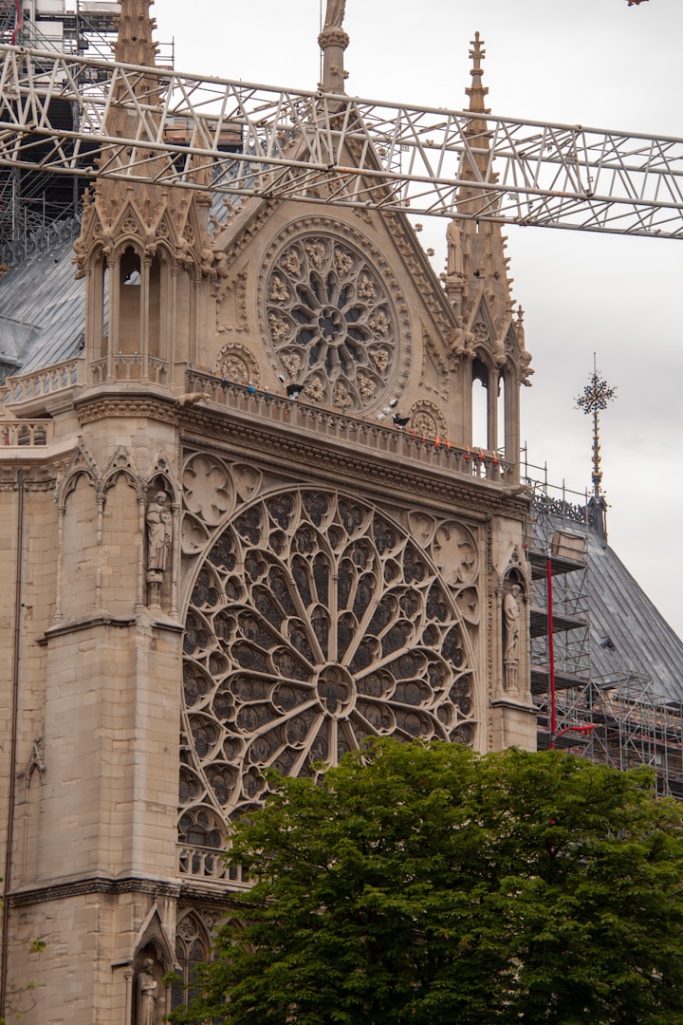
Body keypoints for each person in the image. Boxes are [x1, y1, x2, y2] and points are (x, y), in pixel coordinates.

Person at [146, 491, 172, 574]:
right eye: (162, 498)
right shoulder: (152, 506)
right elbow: (149, 517)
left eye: (164, 499)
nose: (163, 500)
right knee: (154, 547)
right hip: (155, 531)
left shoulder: (165, 509)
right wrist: (159, 517)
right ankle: (152, 567)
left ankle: (160, 568)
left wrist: (166, 518)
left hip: (163, 530)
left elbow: (168, 520)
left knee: (162, 549)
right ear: (157, 498)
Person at [503, 585, 521, 663]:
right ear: (514, 590)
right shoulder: (508, 597)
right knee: (510, 638)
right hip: (511, 622)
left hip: (514, 621)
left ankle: (513, 655)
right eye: (517, 592)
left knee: (514, 638)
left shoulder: (513, 599)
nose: (517, 594)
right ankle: (509, 655)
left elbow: (515, 610)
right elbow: (506, 609)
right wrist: (512, 618)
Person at [137, 959, 158, 1025]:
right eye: (150, 966)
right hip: (145, 999)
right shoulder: (141, 975)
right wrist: (152, 987)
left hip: (151, 999)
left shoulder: (151, 977)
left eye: (151, 966)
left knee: (151, 1018)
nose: (151, 968)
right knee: (145, 1017)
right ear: (146, 967)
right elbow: (142, 987)